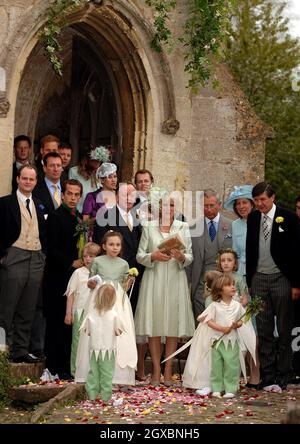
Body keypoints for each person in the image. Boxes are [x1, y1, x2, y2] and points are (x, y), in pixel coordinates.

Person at [134, 194, 195, 385]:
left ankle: (168, 369)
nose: (168, 209)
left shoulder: (183, 227)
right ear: (159, 208)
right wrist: (153, 256)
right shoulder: (149, 227)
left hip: (175, 279)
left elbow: (190, 256)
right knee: (154, 324)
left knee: (172, 324)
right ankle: (156, 370)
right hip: (154, 279)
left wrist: (181, 256)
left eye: (171, 206)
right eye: (164, 206)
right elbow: (139, 255)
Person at [246, 182, 300, 391]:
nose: (259, 204)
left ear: (272, 197)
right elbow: (251, 249)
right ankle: (267, 377)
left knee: (285, 328)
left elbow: (297, 253)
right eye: (256, 200)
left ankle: (283, 374)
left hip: (282, 278)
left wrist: (296, 284)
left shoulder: (289, 218)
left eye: (262, 200)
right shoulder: (252, 218)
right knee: (264, 327)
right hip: (259, 279)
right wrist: (250, 279)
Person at [76, 231, 137, 386]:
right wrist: (92, 284)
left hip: (117, 298)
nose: (115, 248)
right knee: (99, 330)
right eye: (111, 244)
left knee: (118, 330)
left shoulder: (124, 263)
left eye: (117, 245)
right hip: (100, 296)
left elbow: (124, 285)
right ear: (104, 246)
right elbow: (91, 281)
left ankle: (117, 376)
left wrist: (129, 282)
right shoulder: (97, 261)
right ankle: (93, 374)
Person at [183, 273, 256, 398]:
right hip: (217, 341)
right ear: (220, 290)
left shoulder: (237, 306)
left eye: (233, 285)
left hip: (232, 342)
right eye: (228, 285)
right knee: (216, 365)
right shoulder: (214, 306)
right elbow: (205, 319)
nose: (233, 287)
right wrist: (221, 328)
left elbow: (241, 321)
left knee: (231, 365)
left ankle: (230, 389)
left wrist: (236, 325)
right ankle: (216, 387)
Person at [0, 165, 46, 363]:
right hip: (14, 255)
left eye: (32, 179)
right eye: (24, 178)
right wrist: (3, 256)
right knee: (7, 307)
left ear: (36, 182)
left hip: (35, 257)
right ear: (18, 179)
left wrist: (42, 256)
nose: (28, 182)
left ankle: (20, 350)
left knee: (28, 308)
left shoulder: (39, 204)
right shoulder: (5, 203)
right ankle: (3, 350)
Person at [43, 179, 83, 379]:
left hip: (74, 278)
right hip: (57, 277)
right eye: (70, 194)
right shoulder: (55, 217)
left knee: (69, 323)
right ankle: (53, 367)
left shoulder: (78, 219)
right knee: (56, 322)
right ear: (63, 195)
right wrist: (71, 262)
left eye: (77, 195)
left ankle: (67, 366)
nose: (73, 198)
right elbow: (50, 249)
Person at [188, 189, 232, 318]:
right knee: (202, 322)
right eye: (205, 206)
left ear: (219, 204)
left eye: (211, 205)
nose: (208, 209)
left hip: (225, 283)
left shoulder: (231, 225)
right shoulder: (193, 229)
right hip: (201, 285)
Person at [81, 283, 124, 402]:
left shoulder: (91, 314)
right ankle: (106, 397)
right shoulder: (114, 315)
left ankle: (92, 395)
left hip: (94, 349)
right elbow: (118, 332)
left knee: (93, 372)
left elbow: (87, 331)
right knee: (107, 374)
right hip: (108, 350)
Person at [64, 242, 101, 377]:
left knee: (93, 343)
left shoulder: (100, 274)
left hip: (95, 315)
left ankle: (91, 371)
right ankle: (76, 371)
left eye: (91, 256)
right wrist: (69, 313)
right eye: (85, 256)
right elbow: (71, 294)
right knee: (77, 343)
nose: (87, 259)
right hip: (79, 313)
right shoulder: (78, 273)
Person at [223, 185, 255, 276]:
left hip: (259, 272)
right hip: (241, 272)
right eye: (238, 203)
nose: (241, 206)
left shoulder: (260, 221)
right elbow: (235, 252)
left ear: (252, 204)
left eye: (244, 202)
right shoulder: (235, 224)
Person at [69, 146, 110, 213]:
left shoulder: (99, 174)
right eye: (94, 161)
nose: (97, 163)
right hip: (79, 212)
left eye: (99, 161)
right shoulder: (74, 171)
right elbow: (71, 193)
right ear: (86, 160)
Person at [33, 152, 63, 216]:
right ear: (44, 168)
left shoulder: (67, 186)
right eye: (52, 165)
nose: (56, 169)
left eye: (58, 165)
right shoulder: (35, 190)